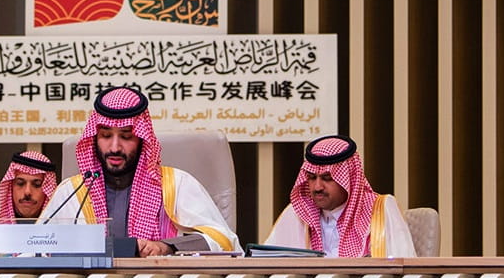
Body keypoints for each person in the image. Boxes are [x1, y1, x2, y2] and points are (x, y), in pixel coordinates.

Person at [39, 86, 238, 255]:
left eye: (126, 136)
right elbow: (34, 247)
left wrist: (166, 247)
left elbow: (224, 241)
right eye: (106, 136)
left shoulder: (176, 185)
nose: (115, 147)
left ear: (142, 140)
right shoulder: (72, 191)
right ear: (94, 138)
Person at [264, 135, 417, 256]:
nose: (317, 187)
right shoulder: (297, 213)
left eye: (327, 178)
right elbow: (265, 262)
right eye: (311, 178)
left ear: (348, 179)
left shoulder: (379, 210)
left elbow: (403, 266)